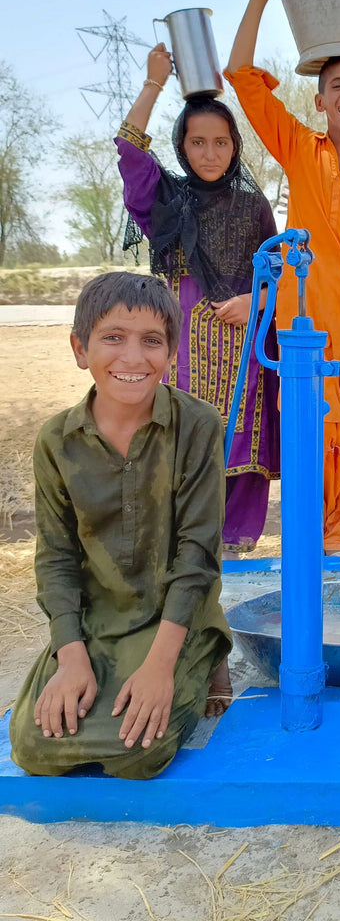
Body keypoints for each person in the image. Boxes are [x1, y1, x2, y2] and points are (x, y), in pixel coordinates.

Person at [10, 273, 232, 780]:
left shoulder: (198, 426)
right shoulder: (56, 441)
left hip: (175, 615)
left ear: (172, 353)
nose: (133, 358)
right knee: (34, 747)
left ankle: (207, 646)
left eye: (152, 341)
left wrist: (158, 668)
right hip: (96, 619)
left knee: (136, 755)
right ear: (79, 348)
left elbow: (198, 552)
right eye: (113, 337)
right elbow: (57, 557)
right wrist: (69, 657)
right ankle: (116, 667)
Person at [225, 0, 340, 555]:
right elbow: (241, 76)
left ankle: (338, 566)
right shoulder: (301, 149)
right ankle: (305, 565)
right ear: (320, 100)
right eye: (337, 86)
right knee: (308, 451)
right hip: (303, 334)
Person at [116, 43, 280, 555]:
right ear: (182, 146)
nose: (210, 153)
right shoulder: (167, 201)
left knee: (239, 439)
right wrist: (153, 83)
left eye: (221, 143)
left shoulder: (254, 206)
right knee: (177, 439)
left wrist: (253, 301)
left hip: (242, 349)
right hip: (181, 344)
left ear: (235, 146)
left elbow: (276, 273)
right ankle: (180, 546)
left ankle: (233, 546)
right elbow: (130, 153)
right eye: (198, 142)